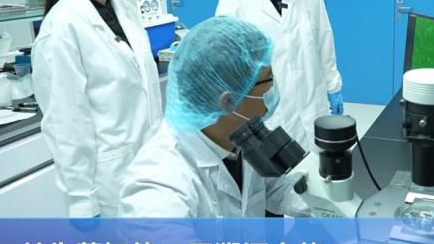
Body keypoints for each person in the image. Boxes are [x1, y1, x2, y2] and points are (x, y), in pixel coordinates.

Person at [32, 0, 162, 218]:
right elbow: (66, 124)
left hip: (151, 168)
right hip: (110, 185)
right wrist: (82, 201)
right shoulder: (62, 28)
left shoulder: (125, 12)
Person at [119, 17, 307, 217]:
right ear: (229, 101)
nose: (274, 86)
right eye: (268, 78)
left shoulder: (239, 132)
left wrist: (325, 199)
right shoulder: (161, 191)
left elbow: (281, 187)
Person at [216, 0, 343, 152]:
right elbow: (229, 71)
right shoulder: (233, 2)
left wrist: (333, 85)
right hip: (271, 117)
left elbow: (323, 37)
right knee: (282, 172)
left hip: (313, 103)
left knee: (320, 169)